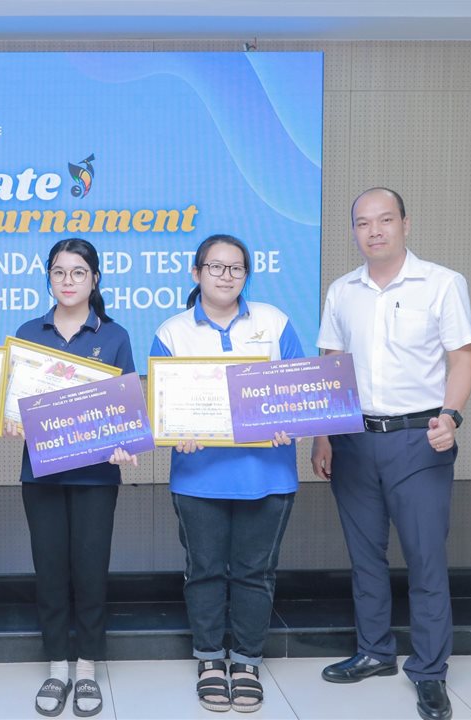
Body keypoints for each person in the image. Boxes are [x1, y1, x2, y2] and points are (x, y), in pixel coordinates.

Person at [311, 188, 471, 720]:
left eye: (385, 220)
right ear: (354, 231)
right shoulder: (342, 291)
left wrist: (451, 416)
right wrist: (323, 435)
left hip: (418, 439)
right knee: (365, 555)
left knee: (425, 558)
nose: (374, 230)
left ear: (405, 223)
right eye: (363, 222)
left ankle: (429, 671)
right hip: (354, 438)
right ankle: (374, 651)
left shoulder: (442, 283)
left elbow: (462, 357)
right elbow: (331, 363)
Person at [150, 234, 301, 714]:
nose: (226, 276)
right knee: (205, 571)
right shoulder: (172, 332)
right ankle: (210, 659)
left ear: (246, 275)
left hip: (267, 474)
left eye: (236, 268)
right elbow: (161, 408)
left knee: (256, 572)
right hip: (199, 477)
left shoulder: (275, 322)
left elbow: (298, 392)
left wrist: (290, 420)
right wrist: (175, 432)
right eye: (215, 267)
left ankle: (248, 661)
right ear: (196, 273)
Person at [7, 238, 137, 718]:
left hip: (96, 476)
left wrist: (123, 441)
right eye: (59, 272)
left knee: (89, 569)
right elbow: (12, 405)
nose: (68, 281)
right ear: (49, 277)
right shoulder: (28, 333)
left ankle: (86, 668)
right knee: (50, 570)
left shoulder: (115, 335)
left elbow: (126, 411)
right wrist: (11, 420)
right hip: (41, 474)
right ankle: (57, 666)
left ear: (94, 279)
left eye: (78, 272)